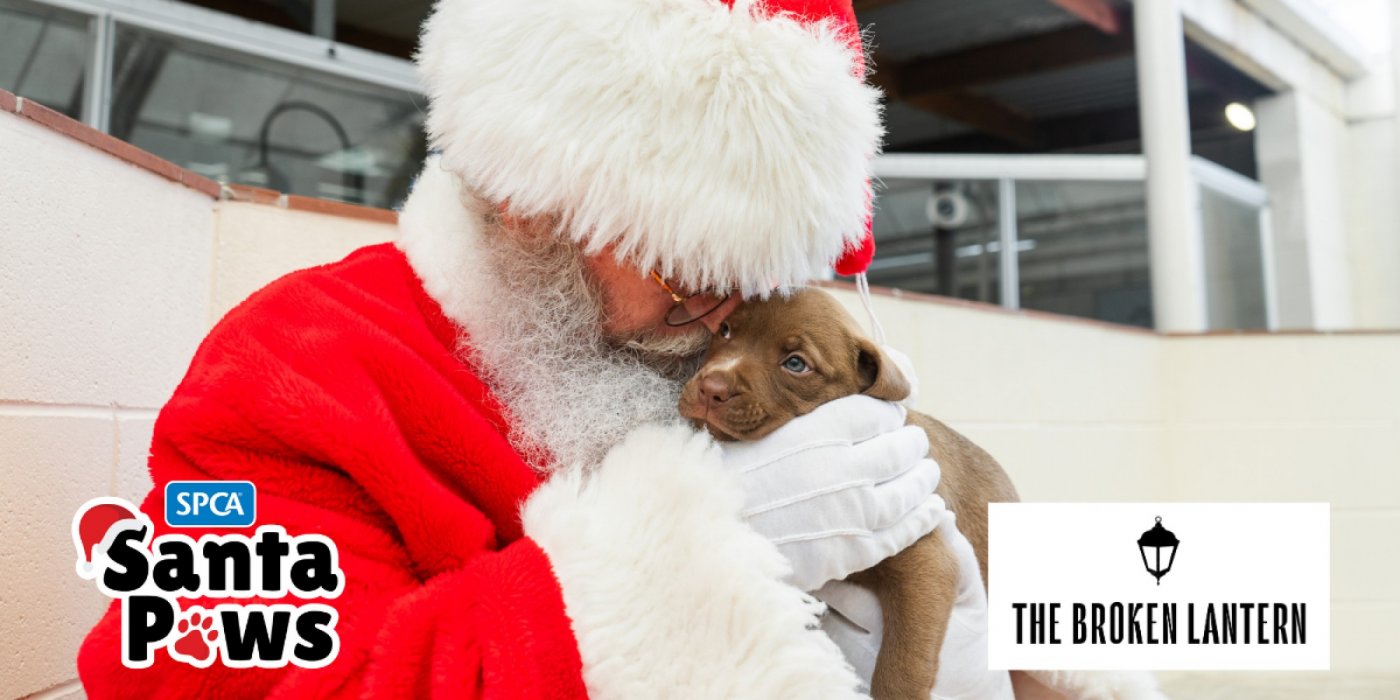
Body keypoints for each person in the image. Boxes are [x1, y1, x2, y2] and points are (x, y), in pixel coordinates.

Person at [78, 0, 1017, 697]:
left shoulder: (702, 346)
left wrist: (1026, 637)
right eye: (687, 249)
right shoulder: (294, 364)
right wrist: (678, 564)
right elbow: (186, 676)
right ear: (532, 194)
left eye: (761, 265)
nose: (727, 304)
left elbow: (1121, 594)